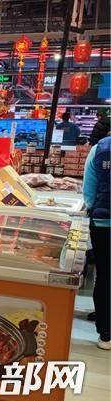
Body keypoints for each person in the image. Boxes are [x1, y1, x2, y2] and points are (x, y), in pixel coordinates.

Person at [83, 135, 111, 350]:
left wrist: (95, 211)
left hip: (104, 224)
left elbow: (89, 192)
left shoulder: (101, 148)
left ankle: (106, 334)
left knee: (105, 276)